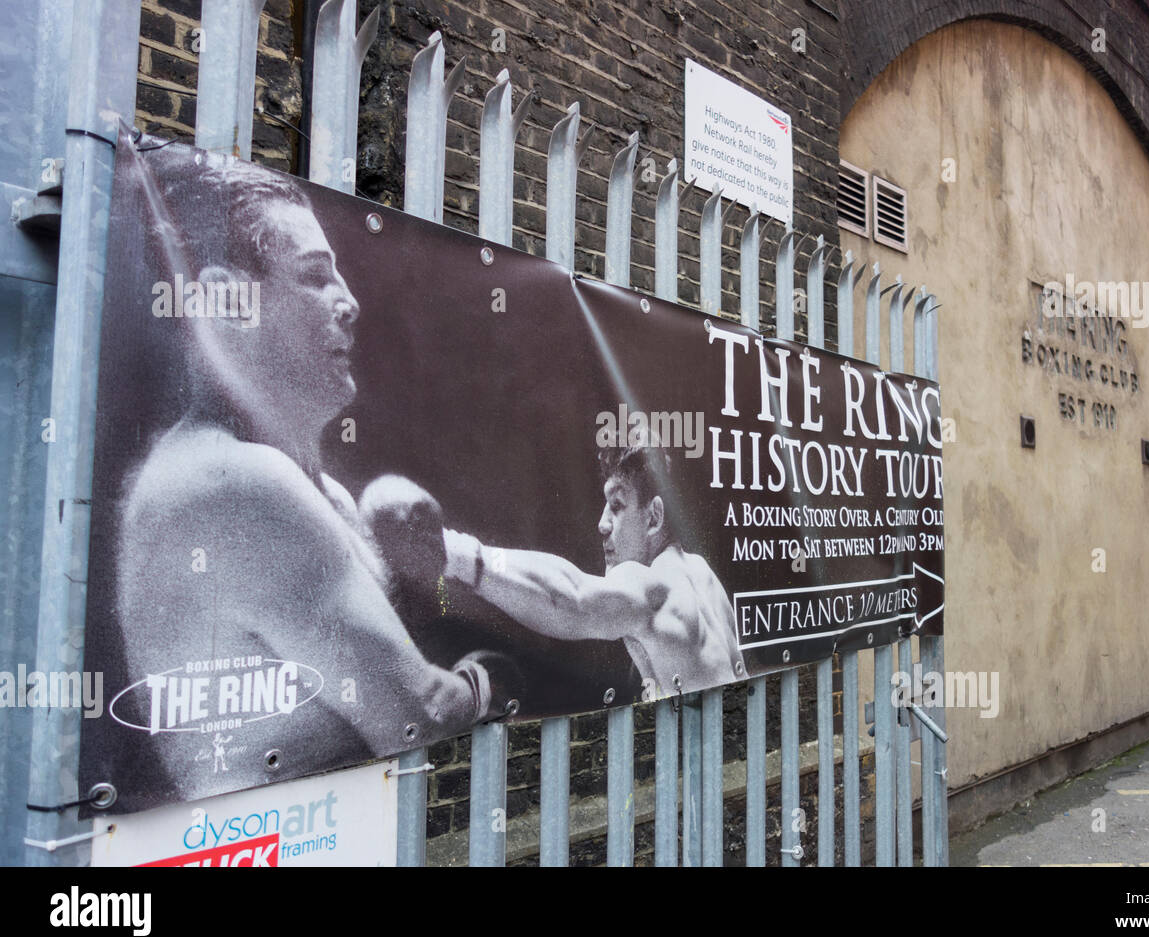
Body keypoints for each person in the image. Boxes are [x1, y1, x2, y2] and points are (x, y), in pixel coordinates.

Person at [115, 147, 491, 801]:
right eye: (316, 276)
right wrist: (503, 675)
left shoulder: (313, 488)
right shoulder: (232, 481)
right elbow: (418, 714)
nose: (349, 302)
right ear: (228, 299)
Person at [368, 444, 748, 700]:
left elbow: (573, 599)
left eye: (617, 506)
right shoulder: (702, 575)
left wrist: (453, 552)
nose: (602, 524)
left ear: (653, 517)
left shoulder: (655, 588)